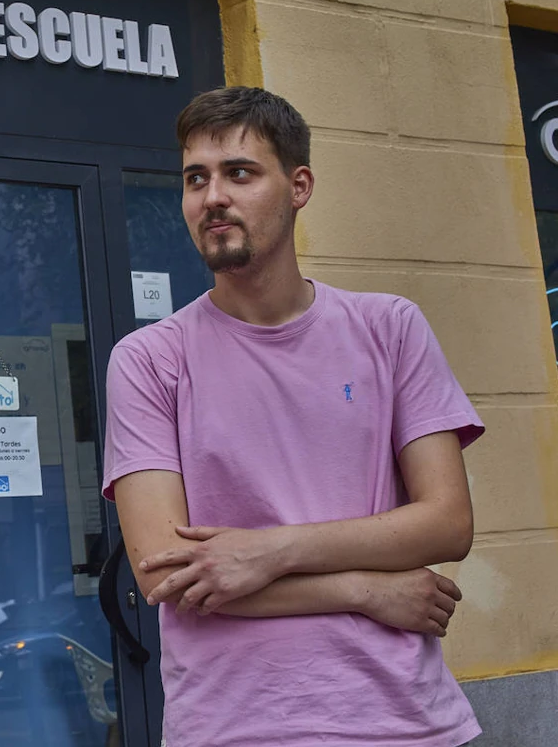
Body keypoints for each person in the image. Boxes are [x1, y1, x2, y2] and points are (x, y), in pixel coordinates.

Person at [103, 87, 484, 746]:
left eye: (240, 173)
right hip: (237, 725)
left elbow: (447, 522)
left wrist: (267, 550)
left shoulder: (389, 328)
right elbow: (168, 573)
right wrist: (364, 589)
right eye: (196, 178)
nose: (212, 196)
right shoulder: (148, 360)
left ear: (298, 185)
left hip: (408, 722)